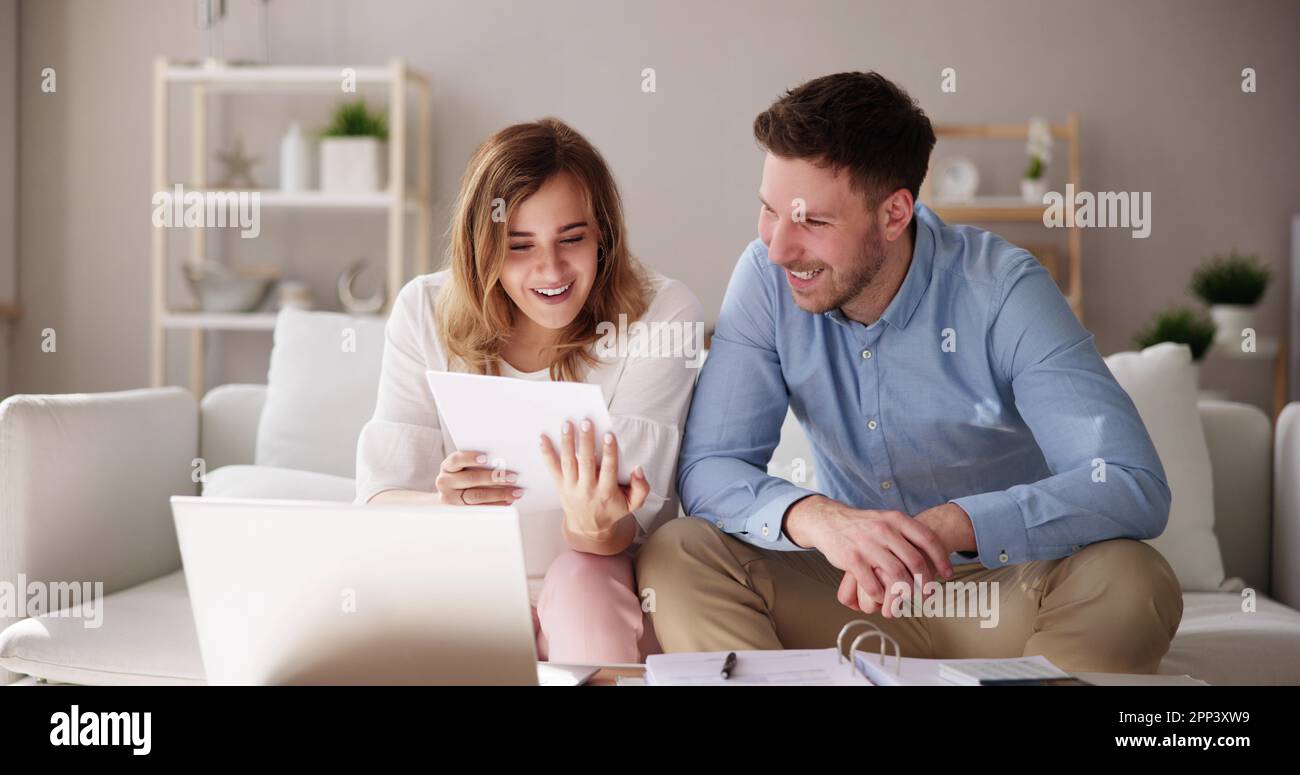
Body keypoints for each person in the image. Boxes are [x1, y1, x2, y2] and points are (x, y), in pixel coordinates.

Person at [636, 72, 1183, 673]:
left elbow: (1130, 481)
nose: (778, 248)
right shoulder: (767, 279)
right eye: (769, 211)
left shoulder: (1003, 289)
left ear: (895, 213)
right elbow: (710, 466)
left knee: (1134, 581)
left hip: (1008, 593)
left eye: (812, 223)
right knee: (677, 553)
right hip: (851, 593)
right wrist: (821, 519)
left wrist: (952, 525)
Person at [356, 118, 704, 664]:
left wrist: (593, 526)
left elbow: (629, 531)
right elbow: (380, 500)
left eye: (573, 238)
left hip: (606, 582)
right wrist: (443, 503)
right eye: (519, 246)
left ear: (603, 235)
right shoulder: (423, 309)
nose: (551, 269)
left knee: (582, 579)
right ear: (482, 246)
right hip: (467, 574)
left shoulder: (661, 314)